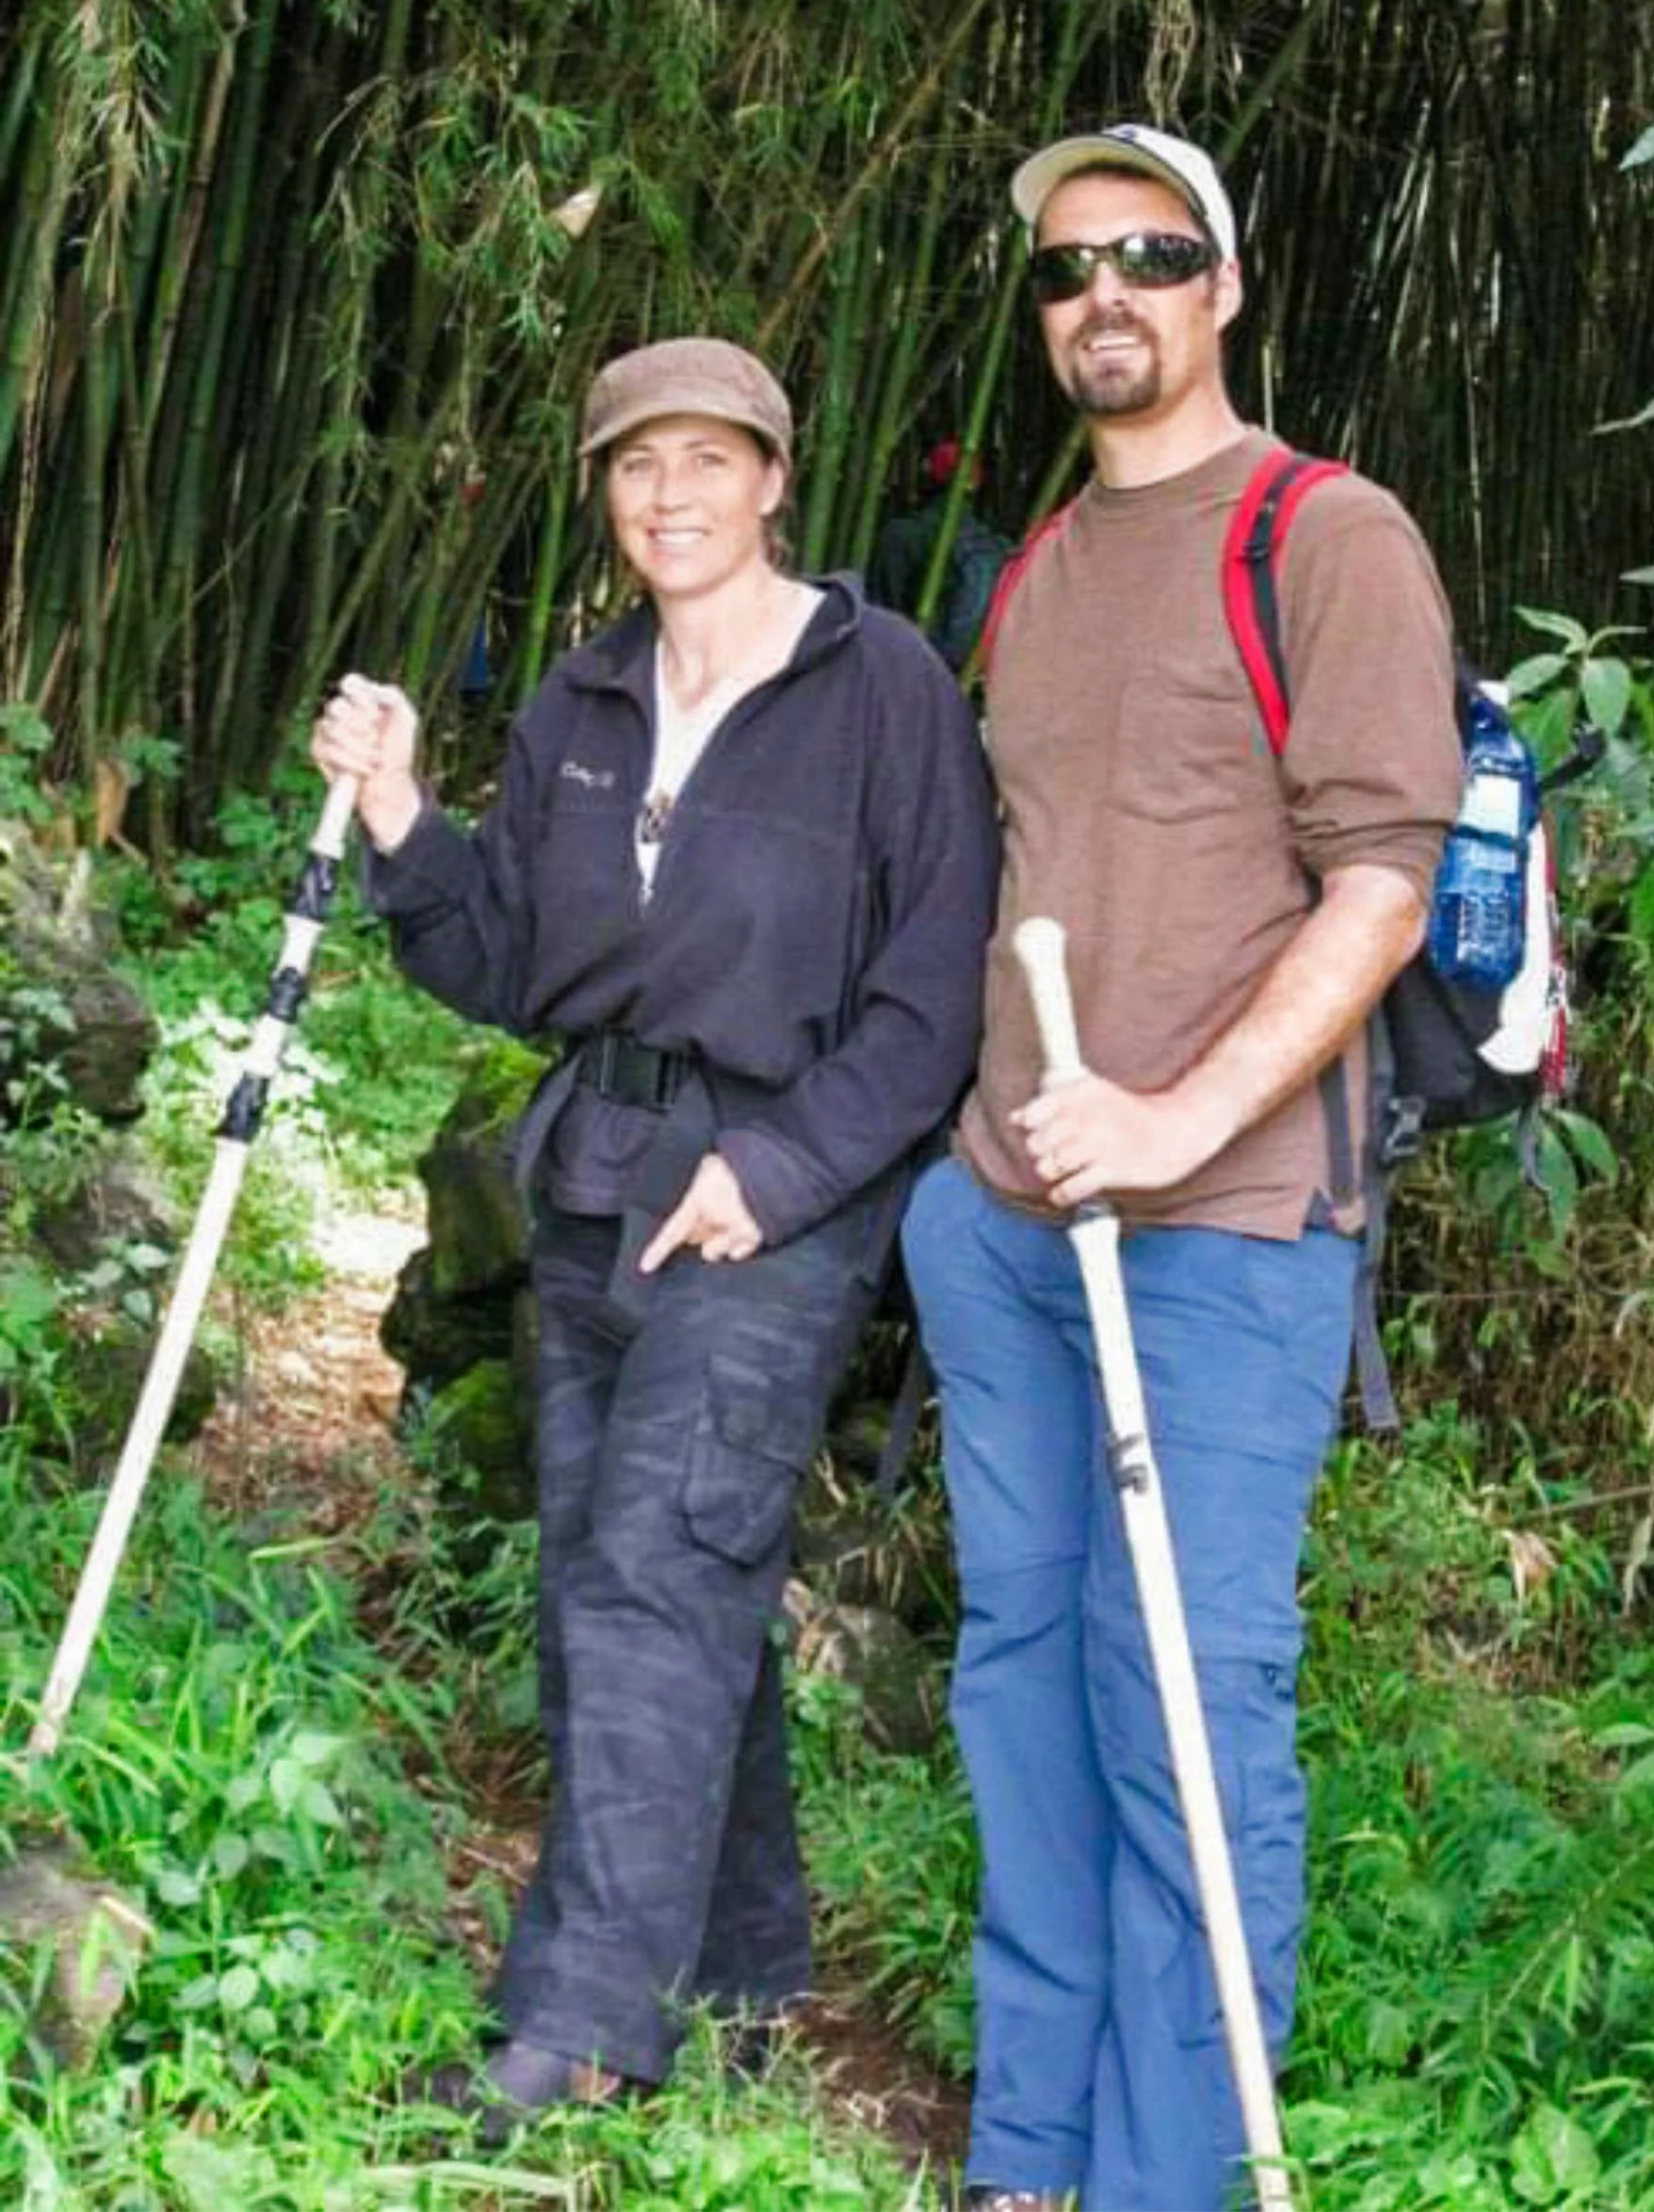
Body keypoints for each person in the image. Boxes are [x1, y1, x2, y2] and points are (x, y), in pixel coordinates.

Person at [311, 335, 998, 2139]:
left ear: (777, 478)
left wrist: (775, 1178)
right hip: (595, 1174)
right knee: (637, 1587)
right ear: (609, 497)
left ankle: (580, 2029)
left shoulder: (888, 690)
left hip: (777, 1188)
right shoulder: (584, 699)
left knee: (649, 1578)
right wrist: (401, 816)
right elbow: (507, 964)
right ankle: (747, 1976)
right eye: (638, 466)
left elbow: (932, 1004)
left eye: (710, 460)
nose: (671, 496)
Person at [900, 124, 1463, 2211]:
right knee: (1021, 1684)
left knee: (1186, 1705)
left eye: (1147, 254)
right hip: (1009, 1225)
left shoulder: (1328, 534)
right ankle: (1027, 2153)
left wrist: (1170, 1119)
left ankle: (1171, 2175)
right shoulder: (1036, 568)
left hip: (1224, 1234)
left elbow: (1382, 889)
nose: (1103, 297)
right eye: (1064, 271)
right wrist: (968, 1181)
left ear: (1225, 284)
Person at [869, 438, 1014, 675]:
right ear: (976, 484)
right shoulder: (999, 547)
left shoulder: (903, 535)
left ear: (928, 476)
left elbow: (881, 614)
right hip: (972, 675)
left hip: (912, 668)